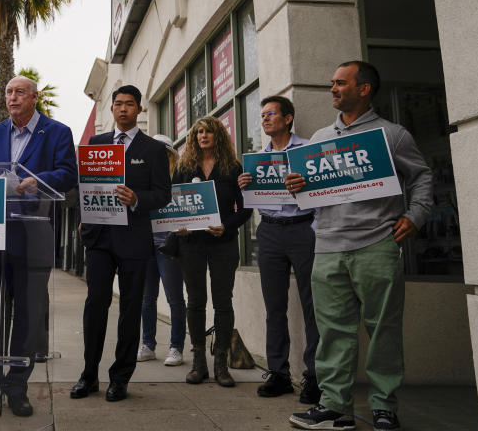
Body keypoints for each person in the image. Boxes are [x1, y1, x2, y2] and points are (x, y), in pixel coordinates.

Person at [287, 61, 432, 431]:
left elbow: (421, 177)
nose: (332, 88)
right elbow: (312, 191)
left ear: (364, 89)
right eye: (331, 83)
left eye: (340, 83)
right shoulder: (319, 139)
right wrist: (298, 186)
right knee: (333, 332)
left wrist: (415, 216)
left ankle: (384, 406)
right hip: (327, 246)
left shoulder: (393, 135)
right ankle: (336, 408)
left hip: (377, 244)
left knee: (383, 329)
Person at [0, 75, 77, 418]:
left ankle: (17, 388)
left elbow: (69, 173)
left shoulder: (57, 132)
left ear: (34, 97)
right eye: (9, 92)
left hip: (32, 235)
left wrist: (37, 181)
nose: (12, 98)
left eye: (19, 92)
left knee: (26, 316)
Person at [70, 85, 172, 403]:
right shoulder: (96, 144)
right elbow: (82, 186)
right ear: (111, 109)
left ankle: (120, 378)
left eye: (129, 104)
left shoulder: (153, 149)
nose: (123, 109)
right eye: (118, 104)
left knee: (130, 309)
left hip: (134, 240)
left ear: (140, 110)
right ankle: (88, 375)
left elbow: (164, 194)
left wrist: (138, 198)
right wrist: (83, 211)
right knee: (95, 305)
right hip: (100, 238)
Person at [237, 96, 321, 402]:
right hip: (270, 231)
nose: (264, 119)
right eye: (261, 115)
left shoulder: (307, 150)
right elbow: (254, 200)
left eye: (270, 114)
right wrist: (245, 185)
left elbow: (324, 188)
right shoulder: (258, 159)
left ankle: (314, 376)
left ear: (287, 118)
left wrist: (312, 227)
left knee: (313, 306)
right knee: (274, 307)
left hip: (302, 228)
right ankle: (279, 373)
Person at [173, 115, 251, 387]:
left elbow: (246, 208)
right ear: (194, 138)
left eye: (208, 131)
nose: (203, 136)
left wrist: (226, 226)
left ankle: (221, 363)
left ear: (218, 135)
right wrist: (178, 225)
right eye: (199, 132)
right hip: (191, 244)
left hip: (223, 243)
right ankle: (198, 362)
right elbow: (174, 203)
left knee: (223, 302)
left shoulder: (232, 167)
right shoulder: (183, 166)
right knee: (194, 301)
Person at [137, 133, 186, 367]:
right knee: (147, 299)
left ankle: (176, 347)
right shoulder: (144, 181)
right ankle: (148, 343)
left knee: (175, 299)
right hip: (145, 243)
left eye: (165, 154)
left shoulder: (179, 181)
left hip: (169, 245)